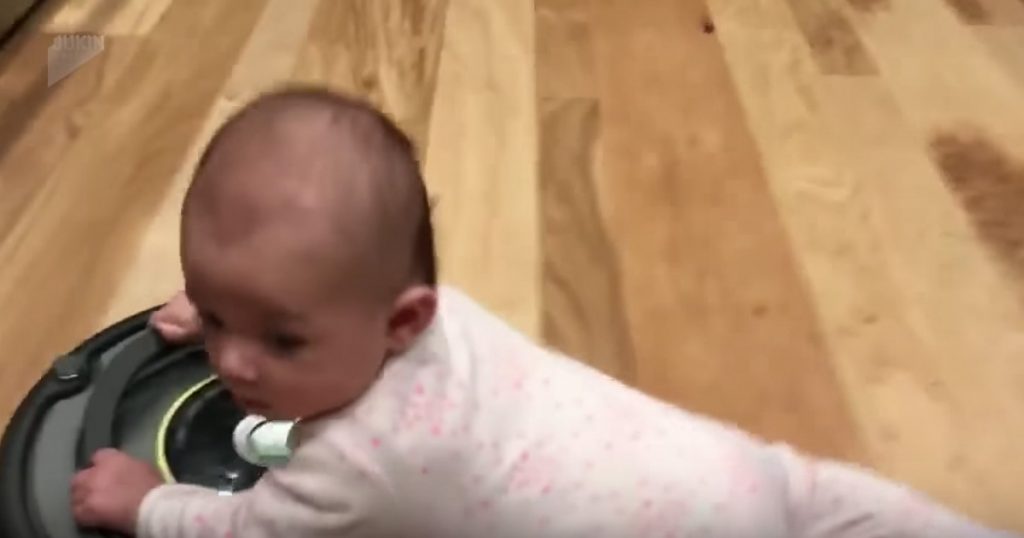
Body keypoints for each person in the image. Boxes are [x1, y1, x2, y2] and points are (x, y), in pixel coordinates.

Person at [69, 85, 1019, 538]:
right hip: (741, 478)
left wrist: (148, 503)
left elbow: (244, 534)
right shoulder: (429, 325)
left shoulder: (368, 460)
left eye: (280, 336)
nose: (233, 364)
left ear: (401, 321)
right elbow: (307, 291)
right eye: (224, 320)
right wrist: (238, 307)